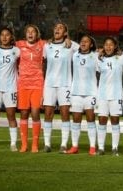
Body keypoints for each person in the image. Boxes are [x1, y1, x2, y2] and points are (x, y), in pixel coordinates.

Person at [42, 22, 79, 153]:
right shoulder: (47, 45)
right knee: (48, 113)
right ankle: (47, 144)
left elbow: (87, 50)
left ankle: (63, 144)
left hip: (65, 84)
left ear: (65, 33)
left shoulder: (71, 45)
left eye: (60, 28)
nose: (57, 29)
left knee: (64, 113)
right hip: (49, 84)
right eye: (55, 27)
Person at [95, 37, 123, 156]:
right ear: (103, 46)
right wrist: (98, 52)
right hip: (102, 95)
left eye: (111, 45)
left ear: (115, 46)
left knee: (115, 121)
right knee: (102, 121)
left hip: (116, 94)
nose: (108, 47)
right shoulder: (99, 59)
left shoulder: (121, 58)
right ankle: (101, 148)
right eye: (106, 44)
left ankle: (115, 148)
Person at [65, 34, 98, 155]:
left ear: (91, 44)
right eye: (82, 41)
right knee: (76, 120)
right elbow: (66, 41)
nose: (83, 43)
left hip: (91, 92)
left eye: (86, 41)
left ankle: (93, 147)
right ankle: (74, 147)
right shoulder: (75, 55)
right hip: (76, 93)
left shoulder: (96, 56)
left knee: (91, 119)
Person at [16, 25, 46, 153]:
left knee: (35, 113)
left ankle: (34, 144)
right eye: (28, 31)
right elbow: (4, 43)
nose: (30, 33)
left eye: (33, 31)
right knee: (23, 113)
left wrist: (67, 39)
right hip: (23, 83)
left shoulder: (43, 44)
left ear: (37, 34)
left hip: (37, 84)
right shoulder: (19, 44)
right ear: (25, 34)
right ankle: (24, 144)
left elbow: (56, 42)